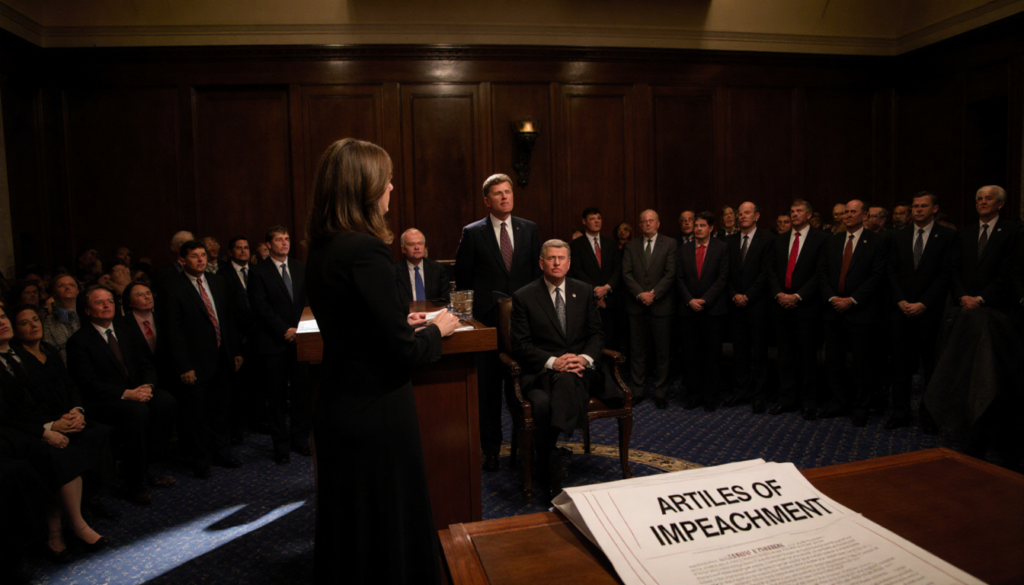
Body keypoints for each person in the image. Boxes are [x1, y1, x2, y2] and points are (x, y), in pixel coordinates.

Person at [304, 138, 460, 585]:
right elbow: (403, 354)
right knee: (388, 524)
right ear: (366, 187)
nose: (393, 185)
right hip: (376, 411)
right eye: (386, 177)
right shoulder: (366, 250)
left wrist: (396, 323)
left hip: (338, 403)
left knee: (352, 527)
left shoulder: (322, 248)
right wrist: (437, 329)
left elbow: (354, 327)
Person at [0, 305, 113, 561]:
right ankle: (64, 529)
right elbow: (6, 416)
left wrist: (69, 415)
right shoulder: (16, 355)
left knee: (93, 435)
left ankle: (79, 512)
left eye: (3, 317)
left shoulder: (20, 353)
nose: (1, 322)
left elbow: (52, 393)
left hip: (39, 425)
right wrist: (47, 429)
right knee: (60, 453)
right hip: (14, 435)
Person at [455, 173, 541, 472]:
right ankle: (490, 450)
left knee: (523, 387)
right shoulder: (473, 233)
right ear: (486, 200)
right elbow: (464, 281)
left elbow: (535, 279)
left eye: (508, 192)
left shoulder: (528, 229)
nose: (505, 197)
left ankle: (527, 447)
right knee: (489, 391)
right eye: (498, 193)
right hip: (487, 325)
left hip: (521, 325)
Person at [511, 239, 604, 500]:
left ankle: (548, 459)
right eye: (551, 258)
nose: (556, 263)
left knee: (562, 385)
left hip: (580, 370)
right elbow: (520, 345)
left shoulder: (584, 291)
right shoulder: (524, 296)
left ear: (569, 262)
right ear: (541, 263)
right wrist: (553, 362)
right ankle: (555, 456)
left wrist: (583, 359)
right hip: (541, 371)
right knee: (543, 399)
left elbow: (597, 334)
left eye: (561, 258)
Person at [67, 286, 177, 504]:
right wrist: (127, 394)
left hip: (137, 392)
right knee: (137, 412)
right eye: (100, 302)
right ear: (87, 310)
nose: (107, 305)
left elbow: (146, 363)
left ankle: (149, 466)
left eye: (110, 301)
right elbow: (87, 384)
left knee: (166, 401)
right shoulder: (79, 341)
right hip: (104, 401)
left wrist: (148, 386)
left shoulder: (126, 329)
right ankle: (135, 481)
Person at [160, 240, 243, 478]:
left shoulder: (217, 281)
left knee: (221, 410)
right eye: (194, 256)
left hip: (222, 357)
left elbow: (228, 320)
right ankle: (201, 460)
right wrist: (184, 365)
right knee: (197, 415)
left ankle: (223, 454)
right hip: (194, 363)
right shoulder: (172, 287)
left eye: (203, 255)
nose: (200, 260)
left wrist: (235, 350)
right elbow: (172, 331)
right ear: (181, 260)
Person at [886, 192, 955, 429]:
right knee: (900, 366)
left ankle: (929, 416)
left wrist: (924, 303)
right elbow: (891, 272)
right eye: (915, 206)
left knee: (931, 367)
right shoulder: (898, 235)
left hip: (930, 313)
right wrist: (900, 301)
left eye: (923, 206)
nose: (918, 210)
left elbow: (945, 274)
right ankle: (900, 413)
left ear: (934, 208)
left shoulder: (946, 236)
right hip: (901, 311)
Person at [818, 200, 889, 427]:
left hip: (861, 312)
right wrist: (832, 298)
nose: (847, 216)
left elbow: (877, 277)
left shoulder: (876, 241)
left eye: (853, 212)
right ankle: (837, 402)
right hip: (833, 310)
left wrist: (852, 299)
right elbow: (822, 272)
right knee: (834, 361)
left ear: (864, 215)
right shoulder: (833, 240)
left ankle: (860, 406)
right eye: (845, 212)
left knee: (862, 363)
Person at [248, 226, 311, 464]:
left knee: (301, 395)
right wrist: (285, 330)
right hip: (273, 343)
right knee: (275, 398)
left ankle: (300, 440)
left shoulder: (300, 267)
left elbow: (307, 300)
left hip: (301, 340)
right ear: (268, 244)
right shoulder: (258, 272)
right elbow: (260, 307)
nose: (284, 243)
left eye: (286, 239)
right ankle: (281, 446)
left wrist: (299, 329)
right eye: (279, 240)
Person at [767, 200, 827, 420]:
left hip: (806, 307)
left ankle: (809, 402)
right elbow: (771, 269)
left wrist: (798, 296)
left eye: (799, 211)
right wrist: (779, 294)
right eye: (792, 211)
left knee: (807, 357)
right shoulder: (780, 239)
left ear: (809, 215)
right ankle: (786, 399)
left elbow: (820, 273)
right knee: (785, 356)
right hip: (781, 305)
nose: (794, 214)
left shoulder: (820, 239)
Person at [724, 202, 775, 412]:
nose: (743, 216)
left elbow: (767, 273)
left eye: (747, 213)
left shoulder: (767, 240)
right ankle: (741, 391)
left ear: (757, 216)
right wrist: (735, 294)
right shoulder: (730, 241)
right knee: (740, 351)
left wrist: (748, 295)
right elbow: (725, 272)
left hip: (758, 305)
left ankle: (759, 395)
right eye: (740, 213)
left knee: (759, 352)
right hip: (735, 305)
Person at [622, 209, 676, 403]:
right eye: (644, 222)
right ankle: (638, 390)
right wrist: (640, 294)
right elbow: (626, 273)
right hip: (636, 307)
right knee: (637, 350)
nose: (647, 224)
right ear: (639, 225)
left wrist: (653, 294)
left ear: (658, 224)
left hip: (661, 306)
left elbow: (670, 273)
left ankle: (661, 392)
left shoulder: (670, 243)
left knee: (662, 351)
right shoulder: (631, 246)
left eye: (651, 221)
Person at [676, 212, 728, 411]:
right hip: (689, 311)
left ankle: (710, 397)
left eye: (702, 225)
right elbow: (678, 278)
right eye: (695, 225)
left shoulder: (721, 248)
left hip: (712, 311)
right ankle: (693, 395)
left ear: (711, 228)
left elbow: (722, 278)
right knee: (690, 356)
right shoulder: (684, 249)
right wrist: (690, 300)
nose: (697, 228)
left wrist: (705, 300)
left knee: (711, 356)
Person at [951, 185, 1022, 314]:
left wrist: (981, 298)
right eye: (980, 199)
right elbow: (954, 268)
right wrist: (962, 296)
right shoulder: (965, 233)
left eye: (988, 198)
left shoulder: (1012, 231)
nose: (983, 202)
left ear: (1000, 204)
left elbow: (1010, 270)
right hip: (964, 305)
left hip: (998, 306)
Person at [569, 207, 621, 347]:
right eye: (592, 218)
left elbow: (618, 269)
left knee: (610, 340)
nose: (597, 221)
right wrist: (595, 291)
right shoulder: (576, 245)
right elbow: (576, 270)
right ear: (584, 222)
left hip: (610, 300)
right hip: (587, 300)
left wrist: (606, 288)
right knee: (589, 341)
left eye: (599, 218)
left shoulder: (611, 244)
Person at [222, 235, 256, 442]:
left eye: (246, 247)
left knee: (256, 382)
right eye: (238, 248)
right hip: (236, 336)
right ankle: (238, 427)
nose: (243, 251)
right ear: (230, 252)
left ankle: (255, 419)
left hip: (256, 334)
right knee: (238, 386)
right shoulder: (222, 275)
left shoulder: (258, 271)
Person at [395, 228, 450, 307]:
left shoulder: (437, 269)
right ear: (403, 249)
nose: (417, 247)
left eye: (420, 243)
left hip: (433, 314)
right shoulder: (396, 271)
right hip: (408, 316)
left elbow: (446, 298)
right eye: (411, 244)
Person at [42, 274, 81, 364]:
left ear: (78, 291)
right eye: (61, 285)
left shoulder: (88, 314)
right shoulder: (48, 322)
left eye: (71, 285)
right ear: (54, 293)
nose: (67, 287)